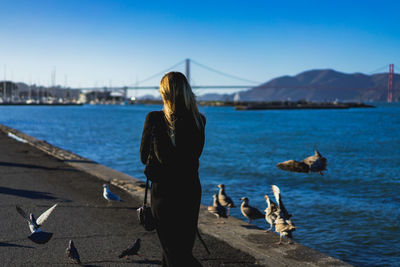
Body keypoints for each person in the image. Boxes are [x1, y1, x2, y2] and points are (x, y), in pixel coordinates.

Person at [140, 72, 206, 266]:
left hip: (165, 195)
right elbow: (189, 159)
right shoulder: (199, 120)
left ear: (165, 93)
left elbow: (146, 157)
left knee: (174, 253)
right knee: (179, 250)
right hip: (190, 191)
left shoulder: (155, 119)